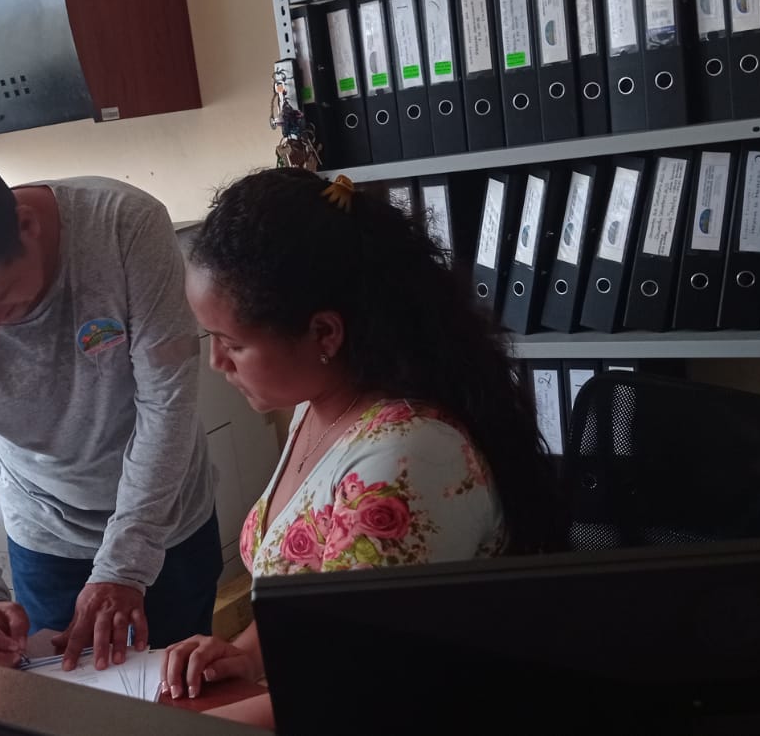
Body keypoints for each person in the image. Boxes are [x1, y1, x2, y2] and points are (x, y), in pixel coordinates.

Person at [162, 169, 556, 727]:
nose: (216, 363)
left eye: (233, 344)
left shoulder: (402, 463)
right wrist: (246, 654)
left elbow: (363, 681)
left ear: (325, 334)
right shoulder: (320, 405)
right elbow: (312, 602)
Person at [0, 157, 220, 672]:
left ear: (27, 225)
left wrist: (124, 565)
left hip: (166, 520)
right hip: (46, 536)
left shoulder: (124, 226)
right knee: (64, 700)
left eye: (0, 297)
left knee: (183, 689)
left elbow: (166, 406)